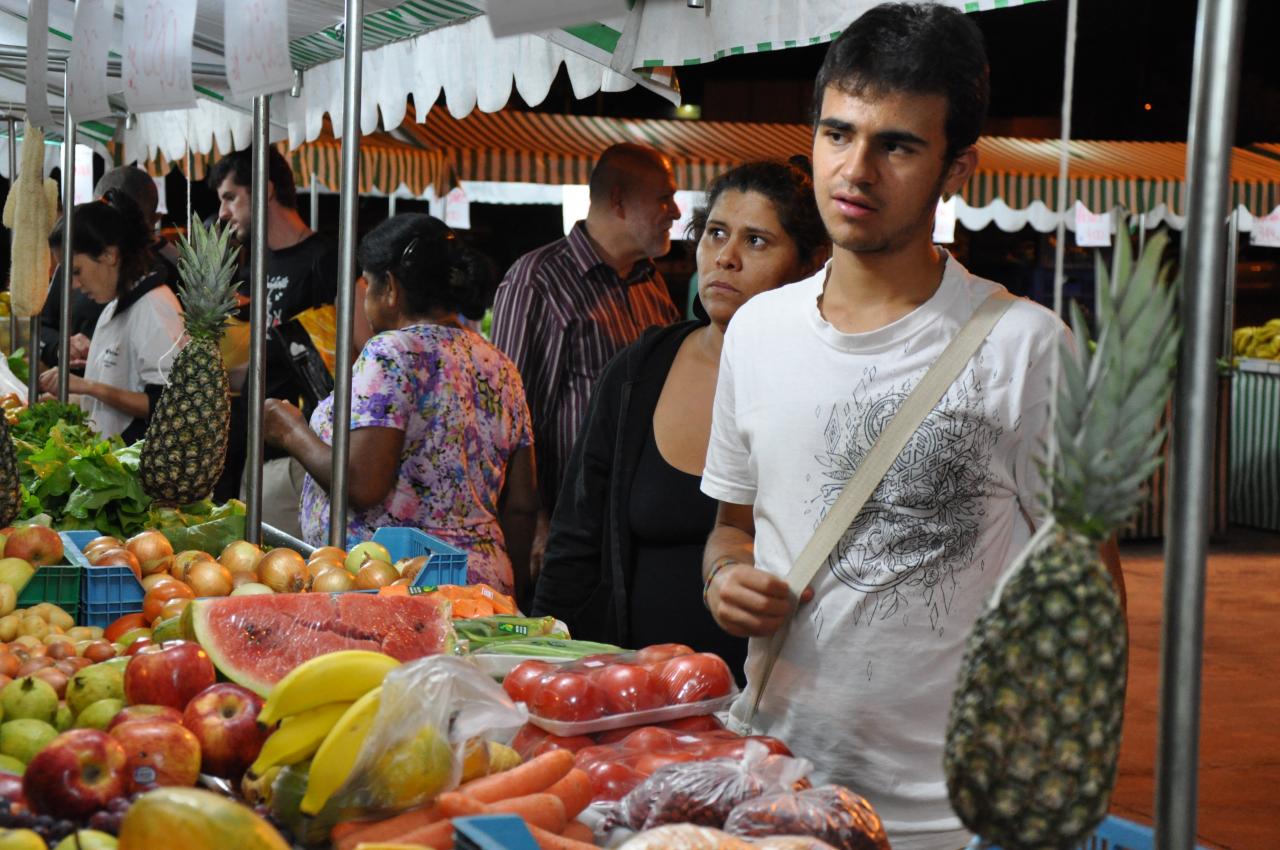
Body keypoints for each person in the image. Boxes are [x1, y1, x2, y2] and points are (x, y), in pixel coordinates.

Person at [696, 5, 1114, 848]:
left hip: (948, 821)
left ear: (956, 166)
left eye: (897, 145)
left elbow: (1093, 594)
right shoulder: (757, 333)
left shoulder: (1027, 349)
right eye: (837, 133)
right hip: (773, 792)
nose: (855, 170)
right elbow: (731, 529)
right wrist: (725, 580)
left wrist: (1051, 795)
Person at [532, 160, 829, 683]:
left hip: (783, 698)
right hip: (639, 700)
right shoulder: (639, 371)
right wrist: (551, 667)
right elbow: (575, 543)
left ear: (811, 263)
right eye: (716, 233)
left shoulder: (831, 387)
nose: (726, 258)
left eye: (757, 241)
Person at [262, 214, 538, 600]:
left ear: (389, 287)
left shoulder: (392, 353)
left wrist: (290, 431)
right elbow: (523, 505)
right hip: (483, 590)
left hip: (398, 588)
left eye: (367, 284)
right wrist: (514, 591)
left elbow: (363, 483)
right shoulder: (498, 364)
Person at [491, 143, 683, 586]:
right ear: (617, 200)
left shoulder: (649, 283)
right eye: (663, 198)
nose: (675, 211)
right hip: (565, 532)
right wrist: (535, 523)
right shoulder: (537, 279)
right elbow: (512, 422)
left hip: (634, 527)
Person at [208, 146, 371, 529]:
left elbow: (366, 353)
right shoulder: (252, 267)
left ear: (264, 190)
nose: (222, 213)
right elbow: (267, 356)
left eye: (230, 197)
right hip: (254, 452)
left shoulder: (328, 259)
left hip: (302, 458)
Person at [39, 191, 183, 441]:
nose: (72, 284)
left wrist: (86, 386)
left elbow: (165, 404)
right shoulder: (113, 306)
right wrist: (77, 396)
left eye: (76, 271)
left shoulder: (154, 307)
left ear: (109, 255)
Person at [38, 165, 177, 371]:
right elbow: (42, 327)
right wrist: (61, 347)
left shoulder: (159, 285)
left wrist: (91, 388)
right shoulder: (73, 263)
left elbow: (159, 386)